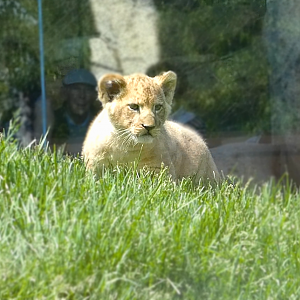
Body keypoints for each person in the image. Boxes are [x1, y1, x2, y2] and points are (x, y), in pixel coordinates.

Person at [50, 69, 102, 154]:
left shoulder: (100, 122)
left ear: (94, 95)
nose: (82, 95)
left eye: (87, 90)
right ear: (65, 93)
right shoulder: (53, 120)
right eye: (76, 89)